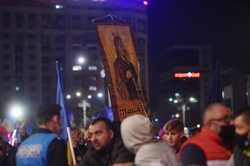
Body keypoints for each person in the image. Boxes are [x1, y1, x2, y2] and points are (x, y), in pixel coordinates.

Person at [113, 35, 140, 100]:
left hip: (135, 91)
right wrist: (126, 78)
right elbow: (119, 82)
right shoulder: (117, 63)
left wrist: (133, 74)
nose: (122, 47)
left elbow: (135, 75)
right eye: (119, 45)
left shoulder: (128, 61)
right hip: (128, 95)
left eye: (121, 44)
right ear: (116, 48)